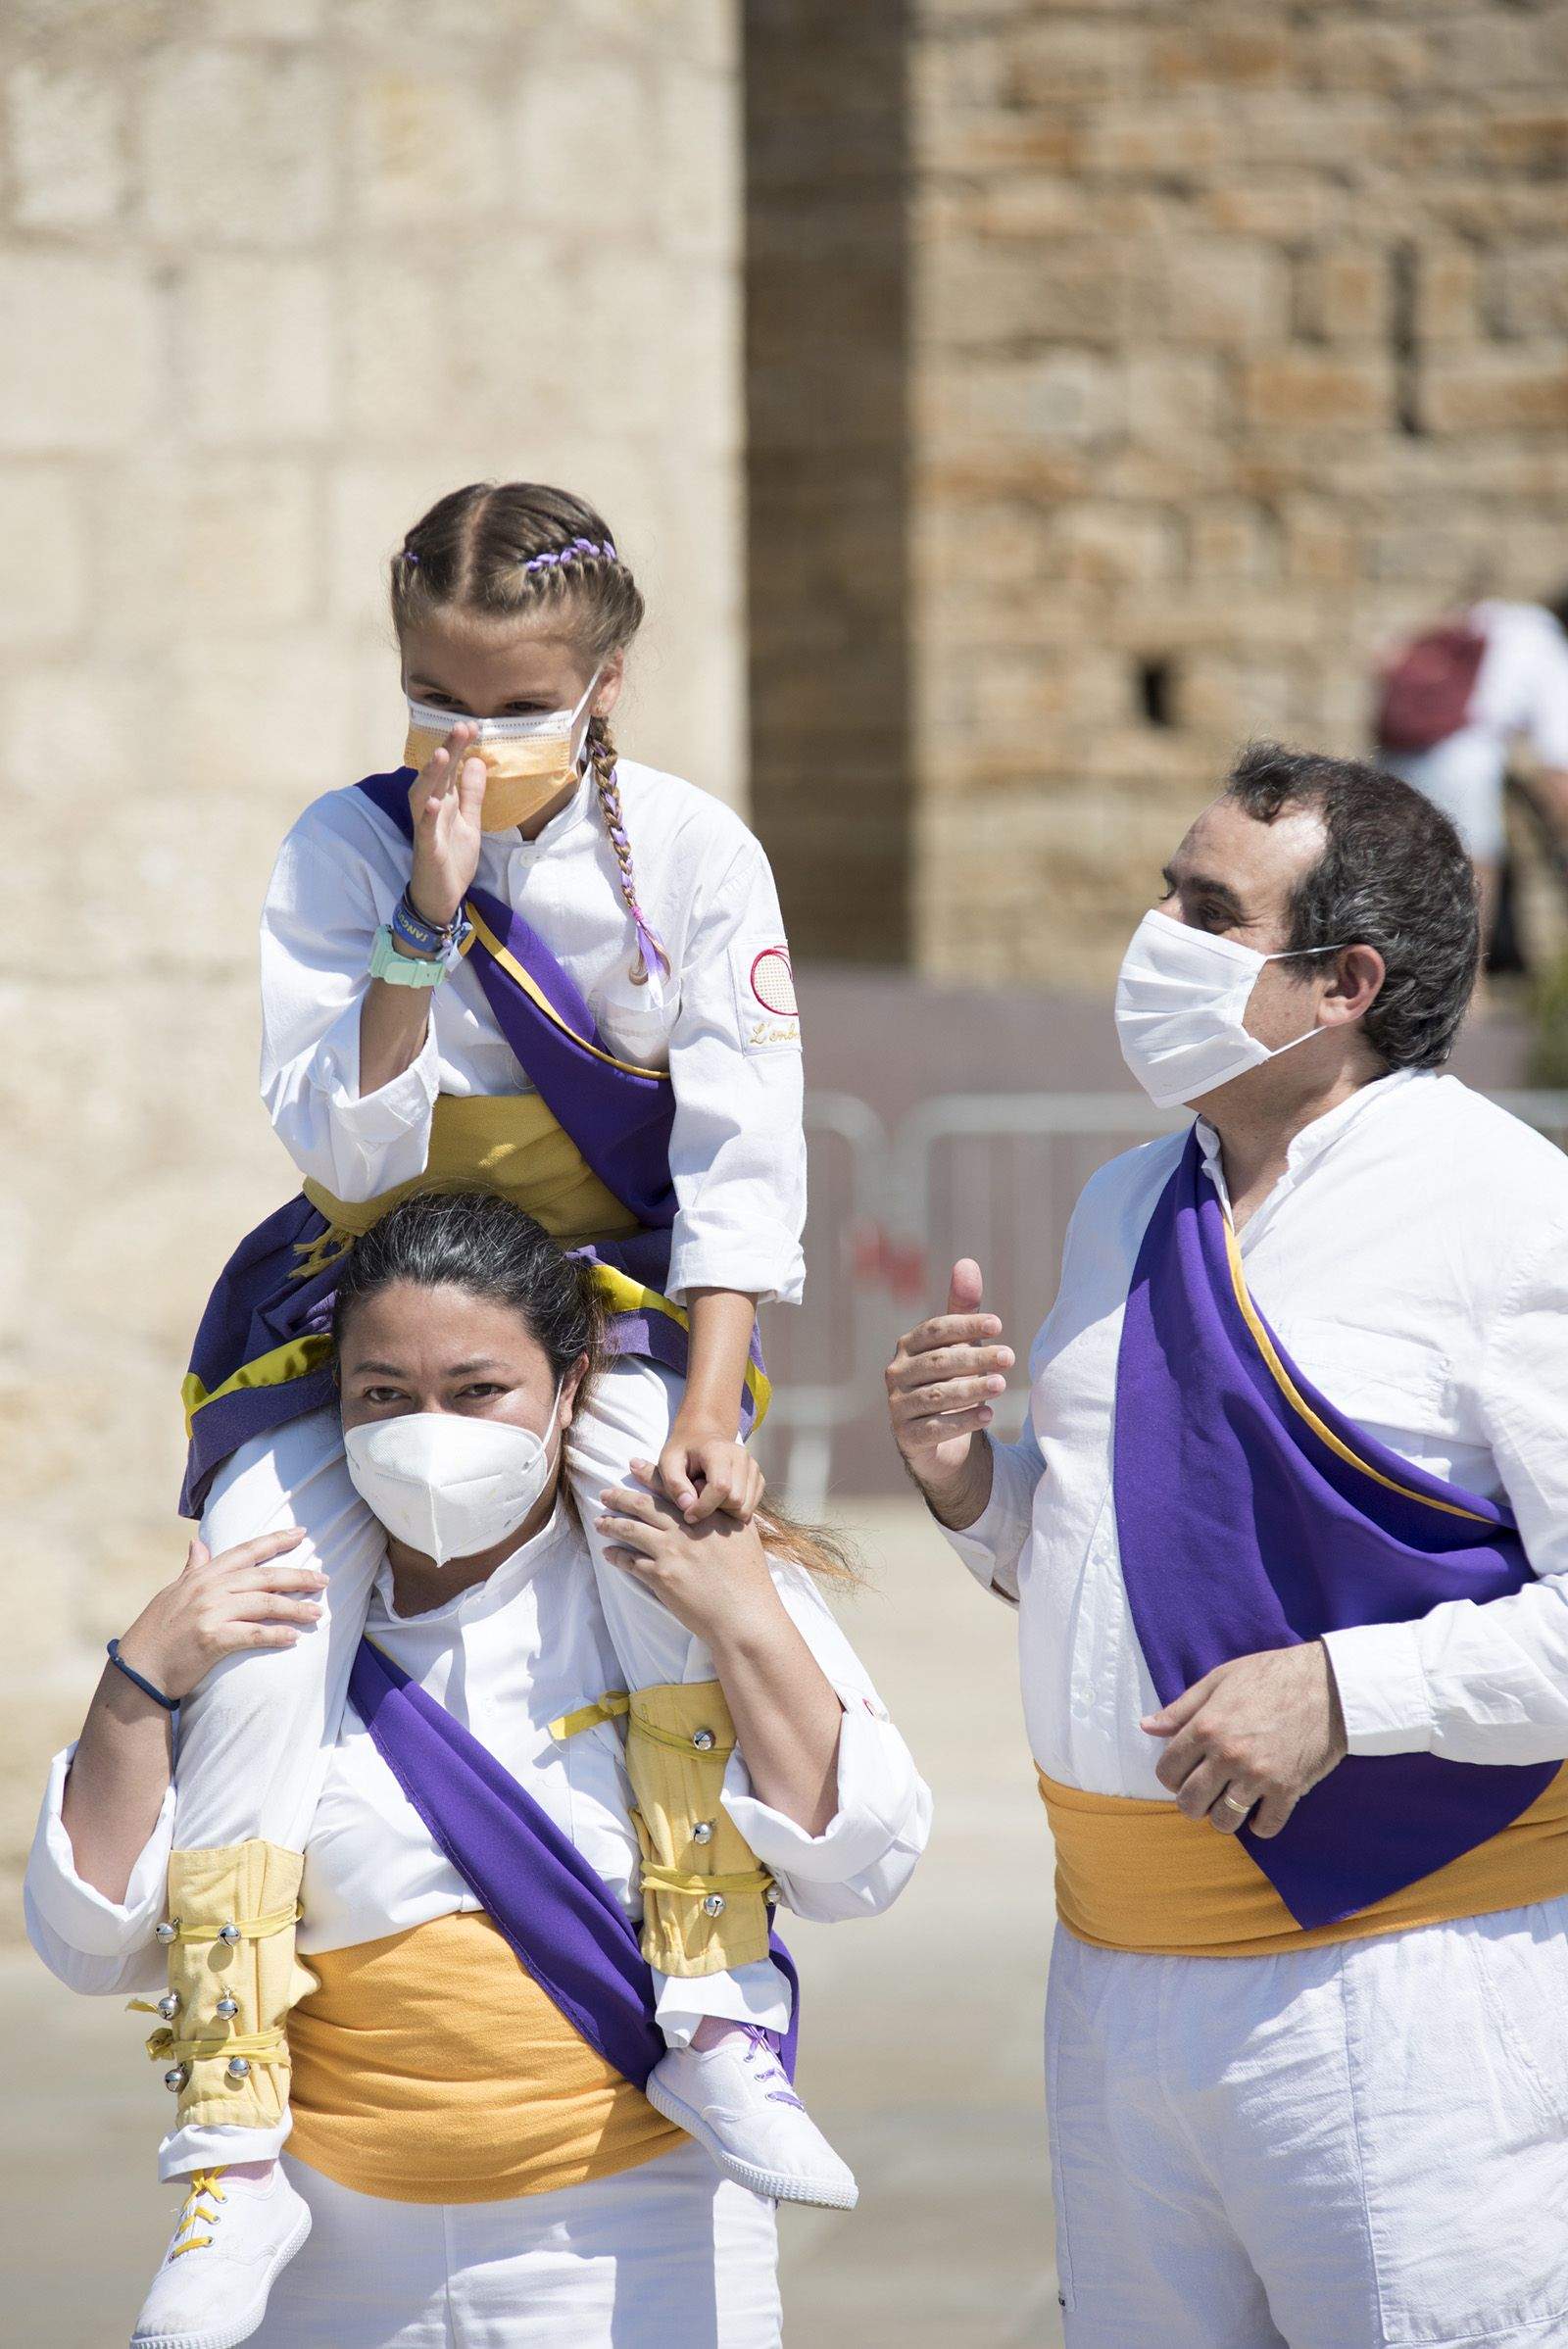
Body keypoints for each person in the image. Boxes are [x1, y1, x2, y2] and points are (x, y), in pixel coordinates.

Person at [131, 480, 845, 2347]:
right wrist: (424, 918)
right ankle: (225, 2130)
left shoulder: (691, 854)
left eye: (519, 699)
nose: (473, 735)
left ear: (605, 679)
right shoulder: (342, 848)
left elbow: (740, 1148)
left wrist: (709, 1406)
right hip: (366, 1304)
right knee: (262, 1600)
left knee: (661, 1557)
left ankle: (711, 2007)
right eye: (435, 691)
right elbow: (340, 1138)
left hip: (603, 1317)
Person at [888, 742, 1568, 2349]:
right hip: (1115, 1984)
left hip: (1405, 1982)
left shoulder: (1507, 1214)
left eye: (1205, 908)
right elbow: (1118, 1565)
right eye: (1165, 891)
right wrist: (967, 1488)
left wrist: (1346, 1691)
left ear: (1343, 980)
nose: (1154, 934)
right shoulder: (1130, 1201)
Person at [28, 1194, 931, 2349]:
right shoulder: (263, 1622)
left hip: (628, 2237)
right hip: (328, 2251)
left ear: (565, 1391)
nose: (429, 1430)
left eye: (476, 1390)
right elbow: (89, 1941)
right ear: (336, 1403)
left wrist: (744, 1613)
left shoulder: (671, 1574)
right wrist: (138, 1682)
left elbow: (865, 1862)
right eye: (384, 1397)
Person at [1374, 590, 1568, 938]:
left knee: (1403, 889)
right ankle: (1467, 986)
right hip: (1464, 766)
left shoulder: (1487, 616)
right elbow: (1556, 764)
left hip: (1400, 761)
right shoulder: (1544, 641)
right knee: (1469, 901)